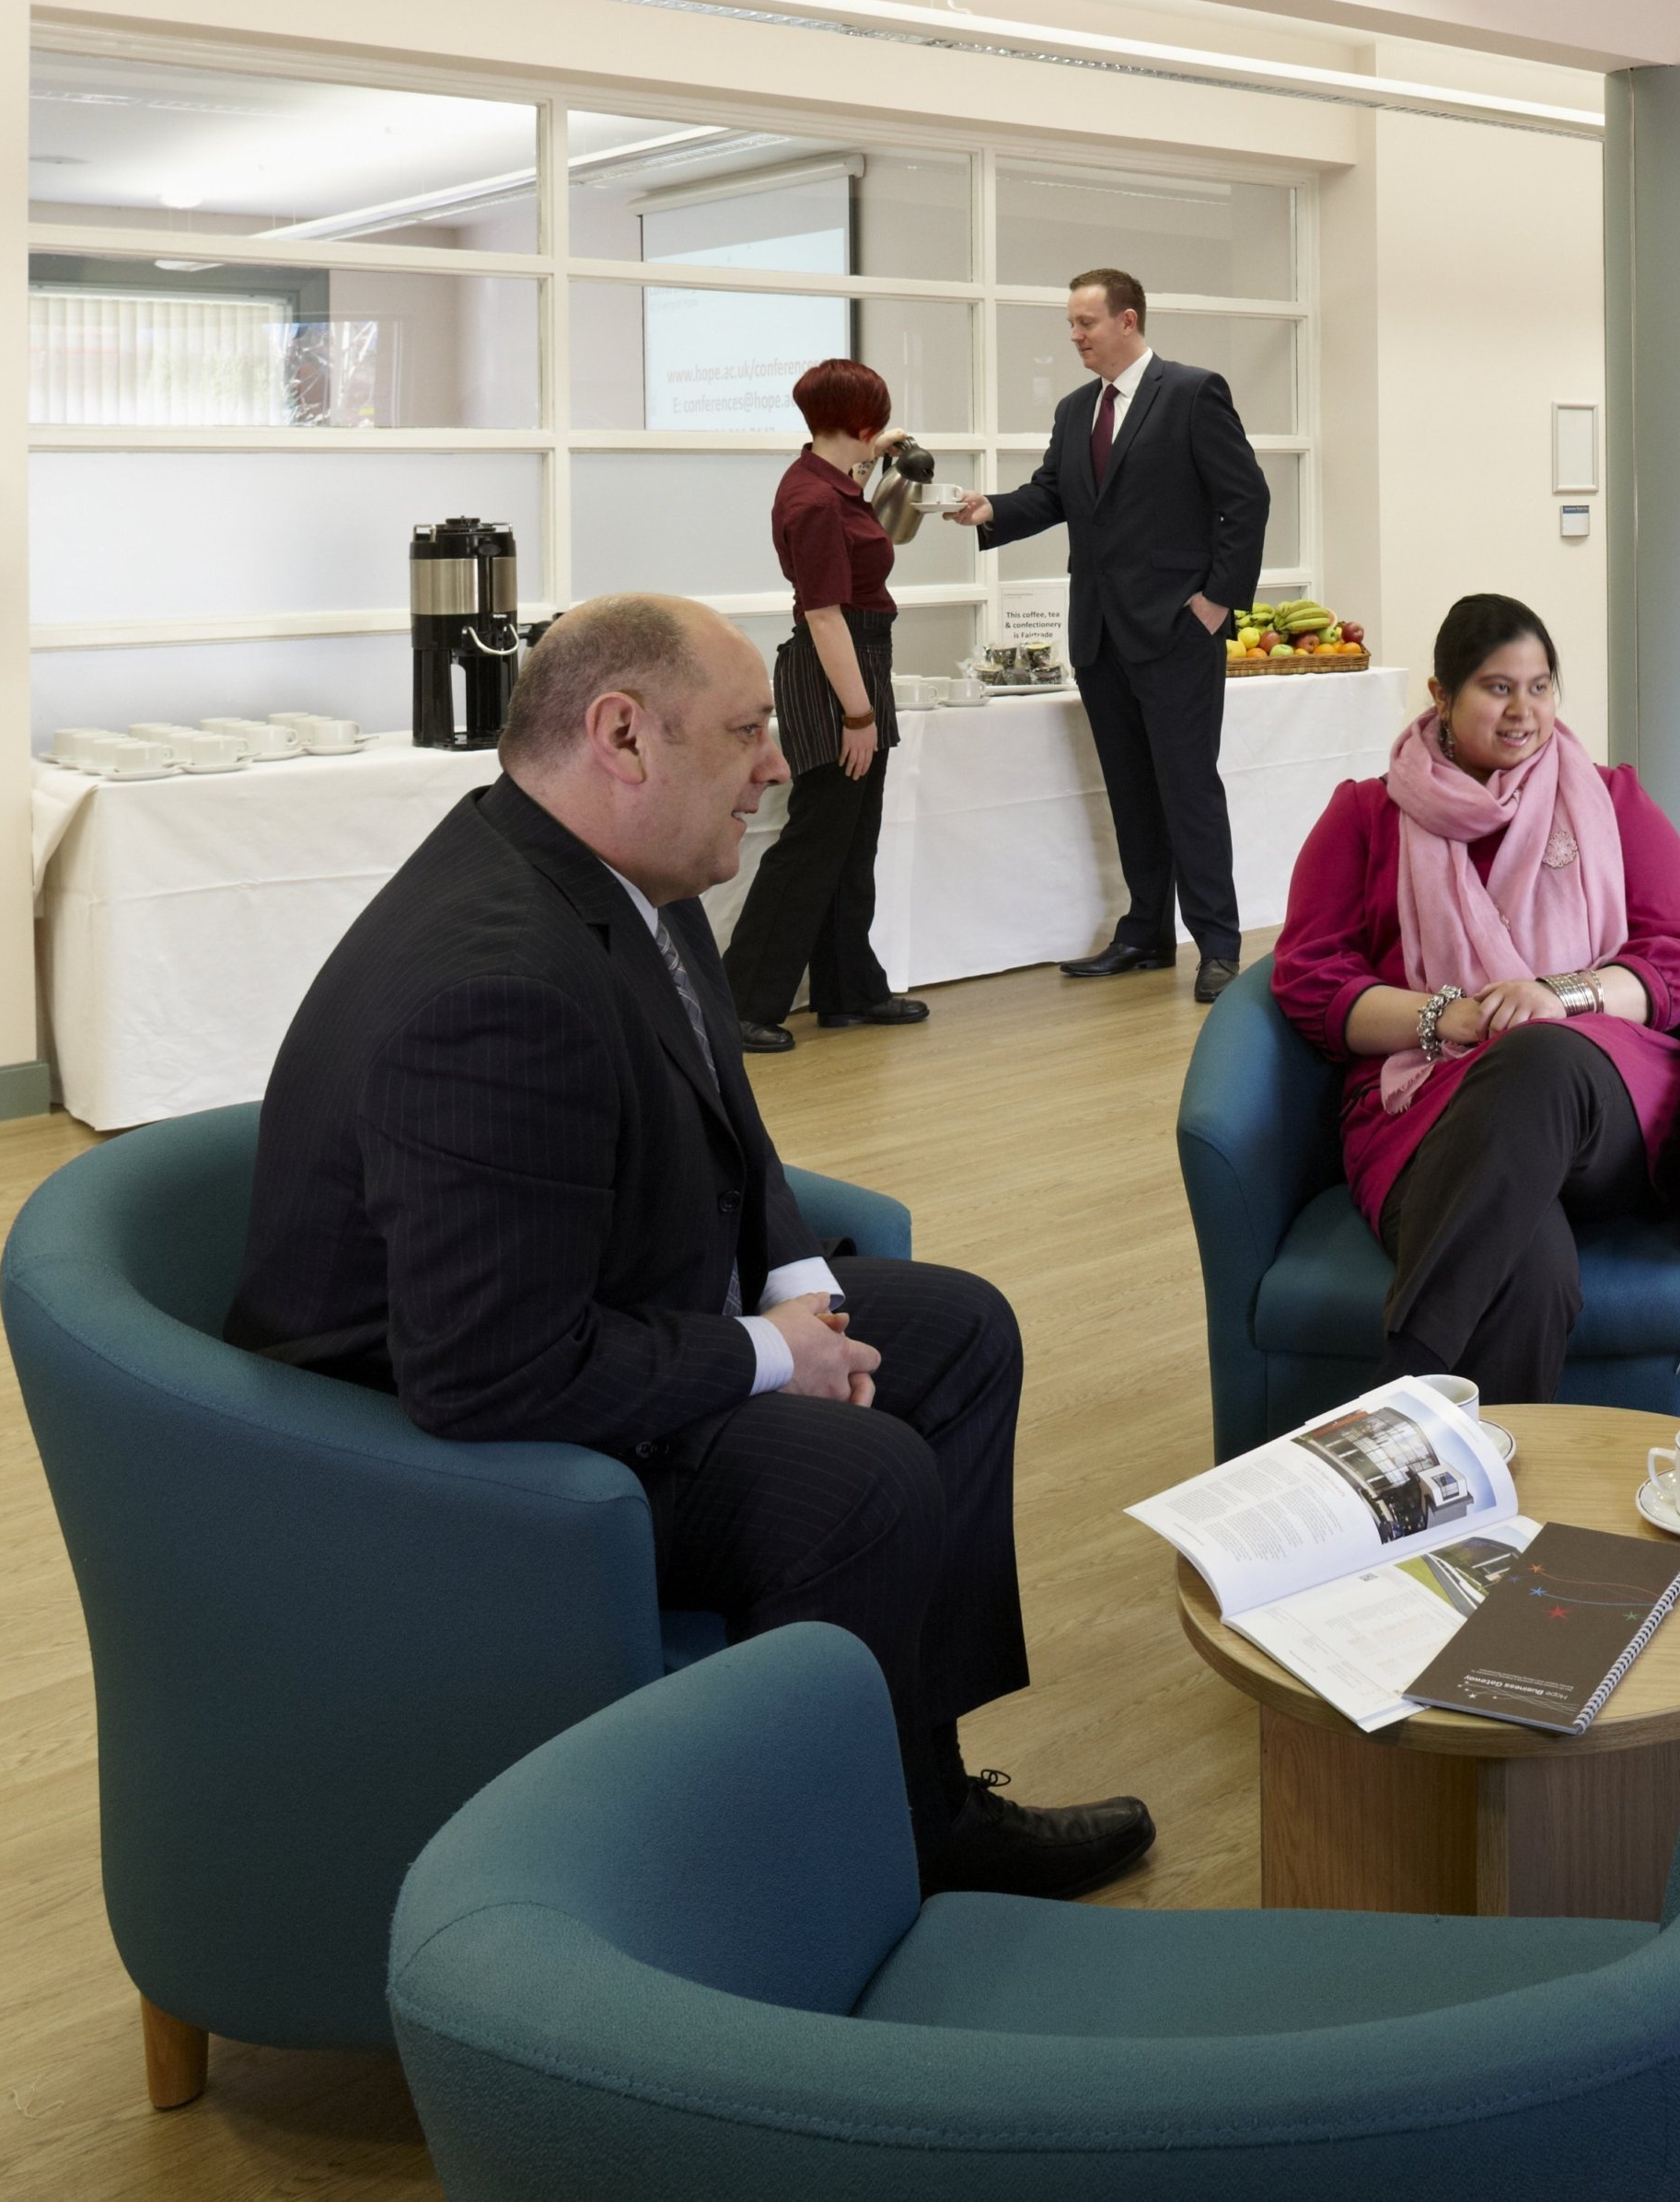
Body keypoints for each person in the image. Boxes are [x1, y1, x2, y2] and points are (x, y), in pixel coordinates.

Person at [226, 594, 1153, 1901]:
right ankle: (814, 1889)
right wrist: (768, 1360)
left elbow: (730, 1130)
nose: (778, 763)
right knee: (864, 1476)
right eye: (746, 729)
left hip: (584, 1308)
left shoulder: (623, 882)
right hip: (445, 1456)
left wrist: (799, 1289)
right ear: (622, 736)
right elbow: (488, 1377)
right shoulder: (496, 985)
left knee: (955, 1329)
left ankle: (915, 1795)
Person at [1269, 594, 1680, 1403]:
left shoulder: (1611, 802)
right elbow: (1308, 979)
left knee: (1537, 1053)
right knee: (1528, 1273)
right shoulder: (1365, 818)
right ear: (1440, 695)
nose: (1523, 711)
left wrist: (1558, 997)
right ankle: (1486, 1515)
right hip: (1423, 1108)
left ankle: (1399, 1397)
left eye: (1540, 687)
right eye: (1496, 687)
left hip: (1594, 1096)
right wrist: (1446, 1016)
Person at [951, 267, 1269, 1006]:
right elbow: (1053, 495)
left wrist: (1216, 604)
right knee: (1130, 791)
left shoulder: (1192, 392)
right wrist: (987, 509)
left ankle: (1218, 948)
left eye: (1084, 323)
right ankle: (1144, 935)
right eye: (1070, 324)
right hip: (1099, 633)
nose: (1075, 337)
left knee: (1187, 790)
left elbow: (1244, 500)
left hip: (1176, 632)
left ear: (1127, 321)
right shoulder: (1073, 411)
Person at [720, 358, 928, 1055]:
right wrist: (859, 717)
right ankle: (743, 1002)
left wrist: (878, 453)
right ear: (860, 422)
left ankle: (849, 990)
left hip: (858, 663)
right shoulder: (812, 501)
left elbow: (853, 527)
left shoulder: (827, 480)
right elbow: (824, 615)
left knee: (850, 840)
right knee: (813, 845)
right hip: (835, 672)